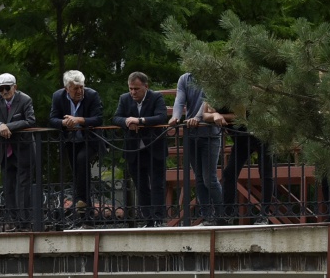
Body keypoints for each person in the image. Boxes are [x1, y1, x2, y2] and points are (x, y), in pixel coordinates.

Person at [49, 69, 104, 227]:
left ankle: (84, 208)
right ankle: (84, 211)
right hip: (71, 142)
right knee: (79, 173)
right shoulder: (58, 96)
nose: (80, 91)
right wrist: (63, 123)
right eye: (75, 88)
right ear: (67, 88)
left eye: (81, 87)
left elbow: (99, 118)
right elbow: (52, 119)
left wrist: (79, 120)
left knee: (82, 161)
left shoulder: (92, 95)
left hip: (90, 140)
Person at [169, 71, 224, 224]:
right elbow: (179, 101)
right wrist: (176, 116)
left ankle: (223, 215)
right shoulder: (184, 78)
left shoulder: (211, 76)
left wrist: (197, 118)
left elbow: (207, 102)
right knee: (199, 178)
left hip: (209, 134)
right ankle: (208, 216)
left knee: (209, 179)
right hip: (191, 134)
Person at [115, 71, 168, 225]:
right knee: (141, 186)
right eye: (131, 88)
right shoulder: (124, 99)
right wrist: (127, 122)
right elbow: (116, 117)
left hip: (154, 149)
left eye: (136, 89)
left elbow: (161, 116)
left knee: (158, 184)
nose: (133, 92)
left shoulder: (156, 97)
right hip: (134, 151)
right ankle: (148, 219)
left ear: (146, 86)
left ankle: (159, 219)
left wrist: (140, 121)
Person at [0, 72, 37, 230]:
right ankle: (14, 221)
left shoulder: (25, 99)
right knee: (8, 187)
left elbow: (30, 120)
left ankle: (24, 222)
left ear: (15, 87)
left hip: (23, 150)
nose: (3, 92)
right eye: (0, 89)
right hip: (5, 151)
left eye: (6, 88)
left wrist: (9, 127)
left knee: (23, 187)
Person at [219, 100, 275, 225]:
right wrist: (216, 115)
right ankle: (228, 214)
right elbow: (206, 113)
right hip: (242, 138)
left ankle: (264, 214)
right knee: (229, 173)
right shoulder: (219, 97)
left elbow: (241, 115)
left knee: (265, 172)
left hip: (261, 134)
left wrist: (220, 116)